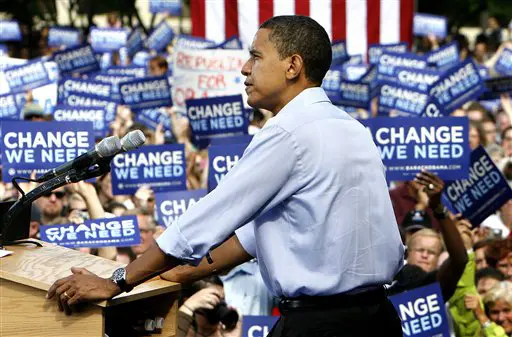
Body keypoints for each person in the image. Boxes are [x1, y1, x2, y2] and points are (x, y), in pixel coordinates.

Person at [47, 15, 404, 336]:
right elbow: (248, 240)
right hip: (377, 320)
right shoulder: (351, 128)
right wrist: (168, 274)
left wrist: (117, 280)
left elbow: (204, 222)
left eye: (257, 56)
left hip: (321, 326)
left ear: (293, 65)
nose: (245, 69)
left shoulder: (289, 133)